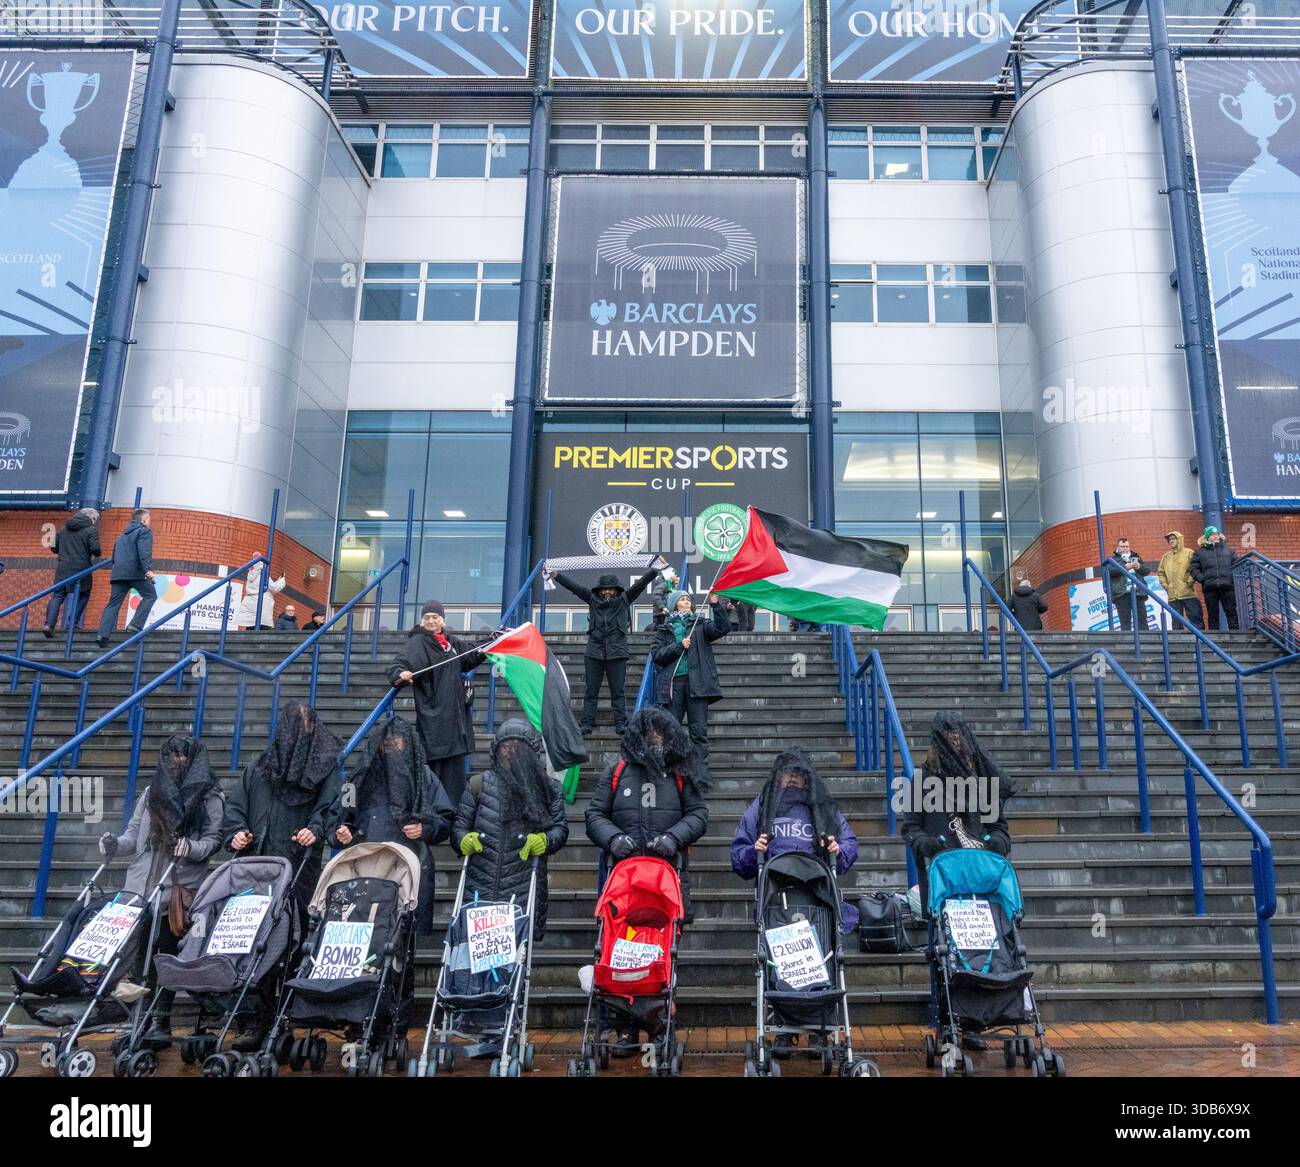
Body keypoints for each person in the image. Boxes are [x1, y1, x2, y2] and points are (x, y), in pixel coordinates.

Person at [222, 700, 341, 1048]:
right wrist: (237, 831)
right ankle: (253, 1018)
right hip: (257, 865)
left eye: (305, 725)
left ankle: (284, 1015)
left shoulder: (324, 766)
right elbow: (235, 806)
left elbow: (331, 807)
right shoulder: (261, 766)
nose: (300, 731)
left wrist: (315, 829)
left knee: (290, 939)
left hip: (298, 866)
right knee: (251, 942)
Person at [98, 736, 224, 1038]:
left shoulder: (210, 796)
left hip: (178, 889)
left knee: (166, 953)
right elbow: (133, 835)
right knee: (139, 954)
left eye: (181, 755)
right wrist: (115, 845)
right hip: (143, 885)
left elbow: (214, 840)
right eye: (170, 754)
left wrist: (190, 847)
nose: (175, 761)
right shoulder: (150, 793)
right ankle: (138, 1015)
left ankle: (161, 1017)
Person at [334, 714, 455, 934]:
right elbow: (340, 817)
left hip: (408, 864)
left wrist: (425, 829)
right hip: (366, 863)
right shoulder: (359, 778)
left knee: (404, 933)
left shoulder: (424, 777)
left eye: (395, 743)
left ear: (407, 744)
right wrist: (343, 832)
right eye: (385, 744)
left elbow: (446, 818)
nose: (389, 749)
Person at [452, 718, 569, 941]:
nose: (509, 753)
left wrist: (544, 841)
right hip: (481, 882)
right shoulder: (479, 784)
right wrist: (463, 839)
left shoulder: (549, 789)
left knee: (516, 957)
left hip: (524, 883)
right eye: (505, 747)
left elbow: (560, 830)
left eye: (517, 747)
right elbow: (459, 827)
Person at [585, 706, 708, 913]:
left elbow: (698, 814)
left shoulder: (681, 774)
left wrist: (673, 838)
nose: (656, 738)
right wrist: (614, 838)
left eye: (661, 732)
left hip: (668, 879)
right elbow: (595, 814)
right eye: (651, 732)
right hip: (624, 880)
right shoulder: (616, 772)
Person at [731, 746, 859, 929]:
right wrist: (754, 851)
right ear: (778, 776)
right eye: (787, 773)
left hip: (816, 891)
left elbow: (849, 844)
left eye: (797, 773)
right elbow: (738, 855)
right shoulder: (762, 806)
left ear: (806, 778)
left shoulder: (822, 807)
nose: (792, 778)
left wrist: (838, 850)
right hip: (774, 892)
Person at [386, 600, 490, 806]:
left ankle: (451, 818)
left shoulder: (450, 643)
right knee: (439, 778)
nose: (431, 621)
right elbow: (399, 663)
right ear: (421, 621)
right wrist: (400, 674)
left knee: (454, 778)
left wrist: (491, 642)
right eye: (427, 618)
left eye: (435, 617)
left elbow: (470, 655)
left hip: (455, 723)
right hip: (436, 723)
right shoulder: (418, 643)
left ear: (443, 620)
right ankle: (440, 818)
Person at [902, 712, 1011, 906]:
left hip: (982, 871)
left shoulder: (982, 778)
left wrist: (997, 841)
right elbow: (911, 828)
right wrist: (925, 843)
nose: (954, 743)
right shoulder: (922, 780)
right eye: (948, 737)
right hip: (942, 875)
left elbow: (999, 827)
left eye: (957, 736)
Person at [544, 566, 659, 736]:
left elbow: (641, 584)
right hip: (594, 653)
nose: (607, 592)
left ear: (616, 590)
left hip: (617, 653)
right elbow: (574, 587)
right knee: (591, 691)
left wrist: (655, 570)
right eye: (604, 589)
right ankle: (587, 724)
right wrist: (556, 575)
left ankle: (621, 724)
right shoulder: (592, 599)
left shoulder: (624, 600)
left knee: (618, 692)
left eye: (610, 589)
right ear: (599, 590)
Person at [650, 590, 730, 782]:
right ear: (673, 604)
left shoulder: (700, 624)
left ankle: (700, 774)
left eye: (688, 599)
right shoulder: (664, 628)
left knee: (699, 733)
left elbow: (723, 628)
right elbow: (657, 656)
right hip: (673, 686)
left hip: (698, 685)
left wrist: (716, 606)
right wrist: (679, 646)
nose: (686, 601)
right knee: (671, 732)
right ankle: (671, 772)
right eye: (682, 599)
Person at [95, 508, 157, 649]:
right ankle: (135, 625)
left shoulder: (121, 536)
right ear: (143, 520)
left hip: (118, 574)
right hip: (135, 572)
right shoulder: (144, 532)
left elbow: (115, 555)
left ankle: (102, 635)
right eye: (149, 519)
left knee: (113, 604)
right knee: (150, 595)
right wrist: (148, 570)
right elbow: (144, 552)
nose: (149, 522)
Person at [43, 508, 101, 636]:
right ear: (90, 518)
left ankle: (48, 624)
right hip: (81, 568)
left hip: (63, 567)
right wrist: (96, 552)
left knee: (58, 595)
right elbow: (95, 549)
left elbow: (54, 547)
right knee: (84, 594)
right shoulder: (91, 530)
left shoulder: (64, 528)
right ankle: (72, 622)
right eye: (94, 519)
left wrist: (65, 551)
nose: (94, 522)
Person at [1191, 526, 1240, 632]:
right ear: (1207, 537)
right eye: (1213, 535)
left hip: (1228, 586)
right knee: (1212, 613)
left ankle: (1236, 634)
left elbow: (1237, 566)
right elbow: (1193, 568)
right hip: (1209, 587)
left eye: (1217, 534)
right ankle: (1214, 636)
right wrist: (1202, 578)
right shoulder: (1199, 552)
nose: (1216, 536)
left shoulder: (1229, 551)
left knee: (1231, 611)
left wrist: (1231, 578)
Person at [1158, 531, 1204, 631]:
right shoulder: (1166, 556)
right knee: (1176, 623)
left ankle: (1200, 642)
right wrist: (1167, 586)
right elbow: (1161, 573)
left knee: (1195, 618)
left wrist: (1189, 582)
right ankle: (1177, 645)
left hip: (1188, 592)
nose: (1170, 541)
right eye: (1169, 540)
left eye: (1173, 539)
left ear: (1179, 540)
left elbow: (1195, 568)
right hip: (1173, 594)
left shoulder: (1189, 552)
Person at [1106, 537, 1148, 631]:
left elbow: (1147, 570)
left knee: (1142, 619)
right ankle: (1127, 643)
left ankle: (1146, 641)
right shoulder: (1113, 559)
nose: (1125, 548)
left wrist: (1139, 567)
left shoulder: (1135, 557)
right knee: (1125, 621)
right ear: (1118, 547)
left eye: (1127, 546)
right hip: (1122, 594)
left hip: (1138, 593)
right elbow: (1111, 571)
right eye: (1123, 546)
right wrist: (1125, 567)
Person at [236, 561, 286, 630]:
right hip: (262, 606)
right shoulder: (263, 575)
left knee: (251, 626)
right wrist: (282, 580)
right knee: (262, 627)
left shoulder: (251, 575)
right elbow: (275, 588)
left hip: (250, 604)